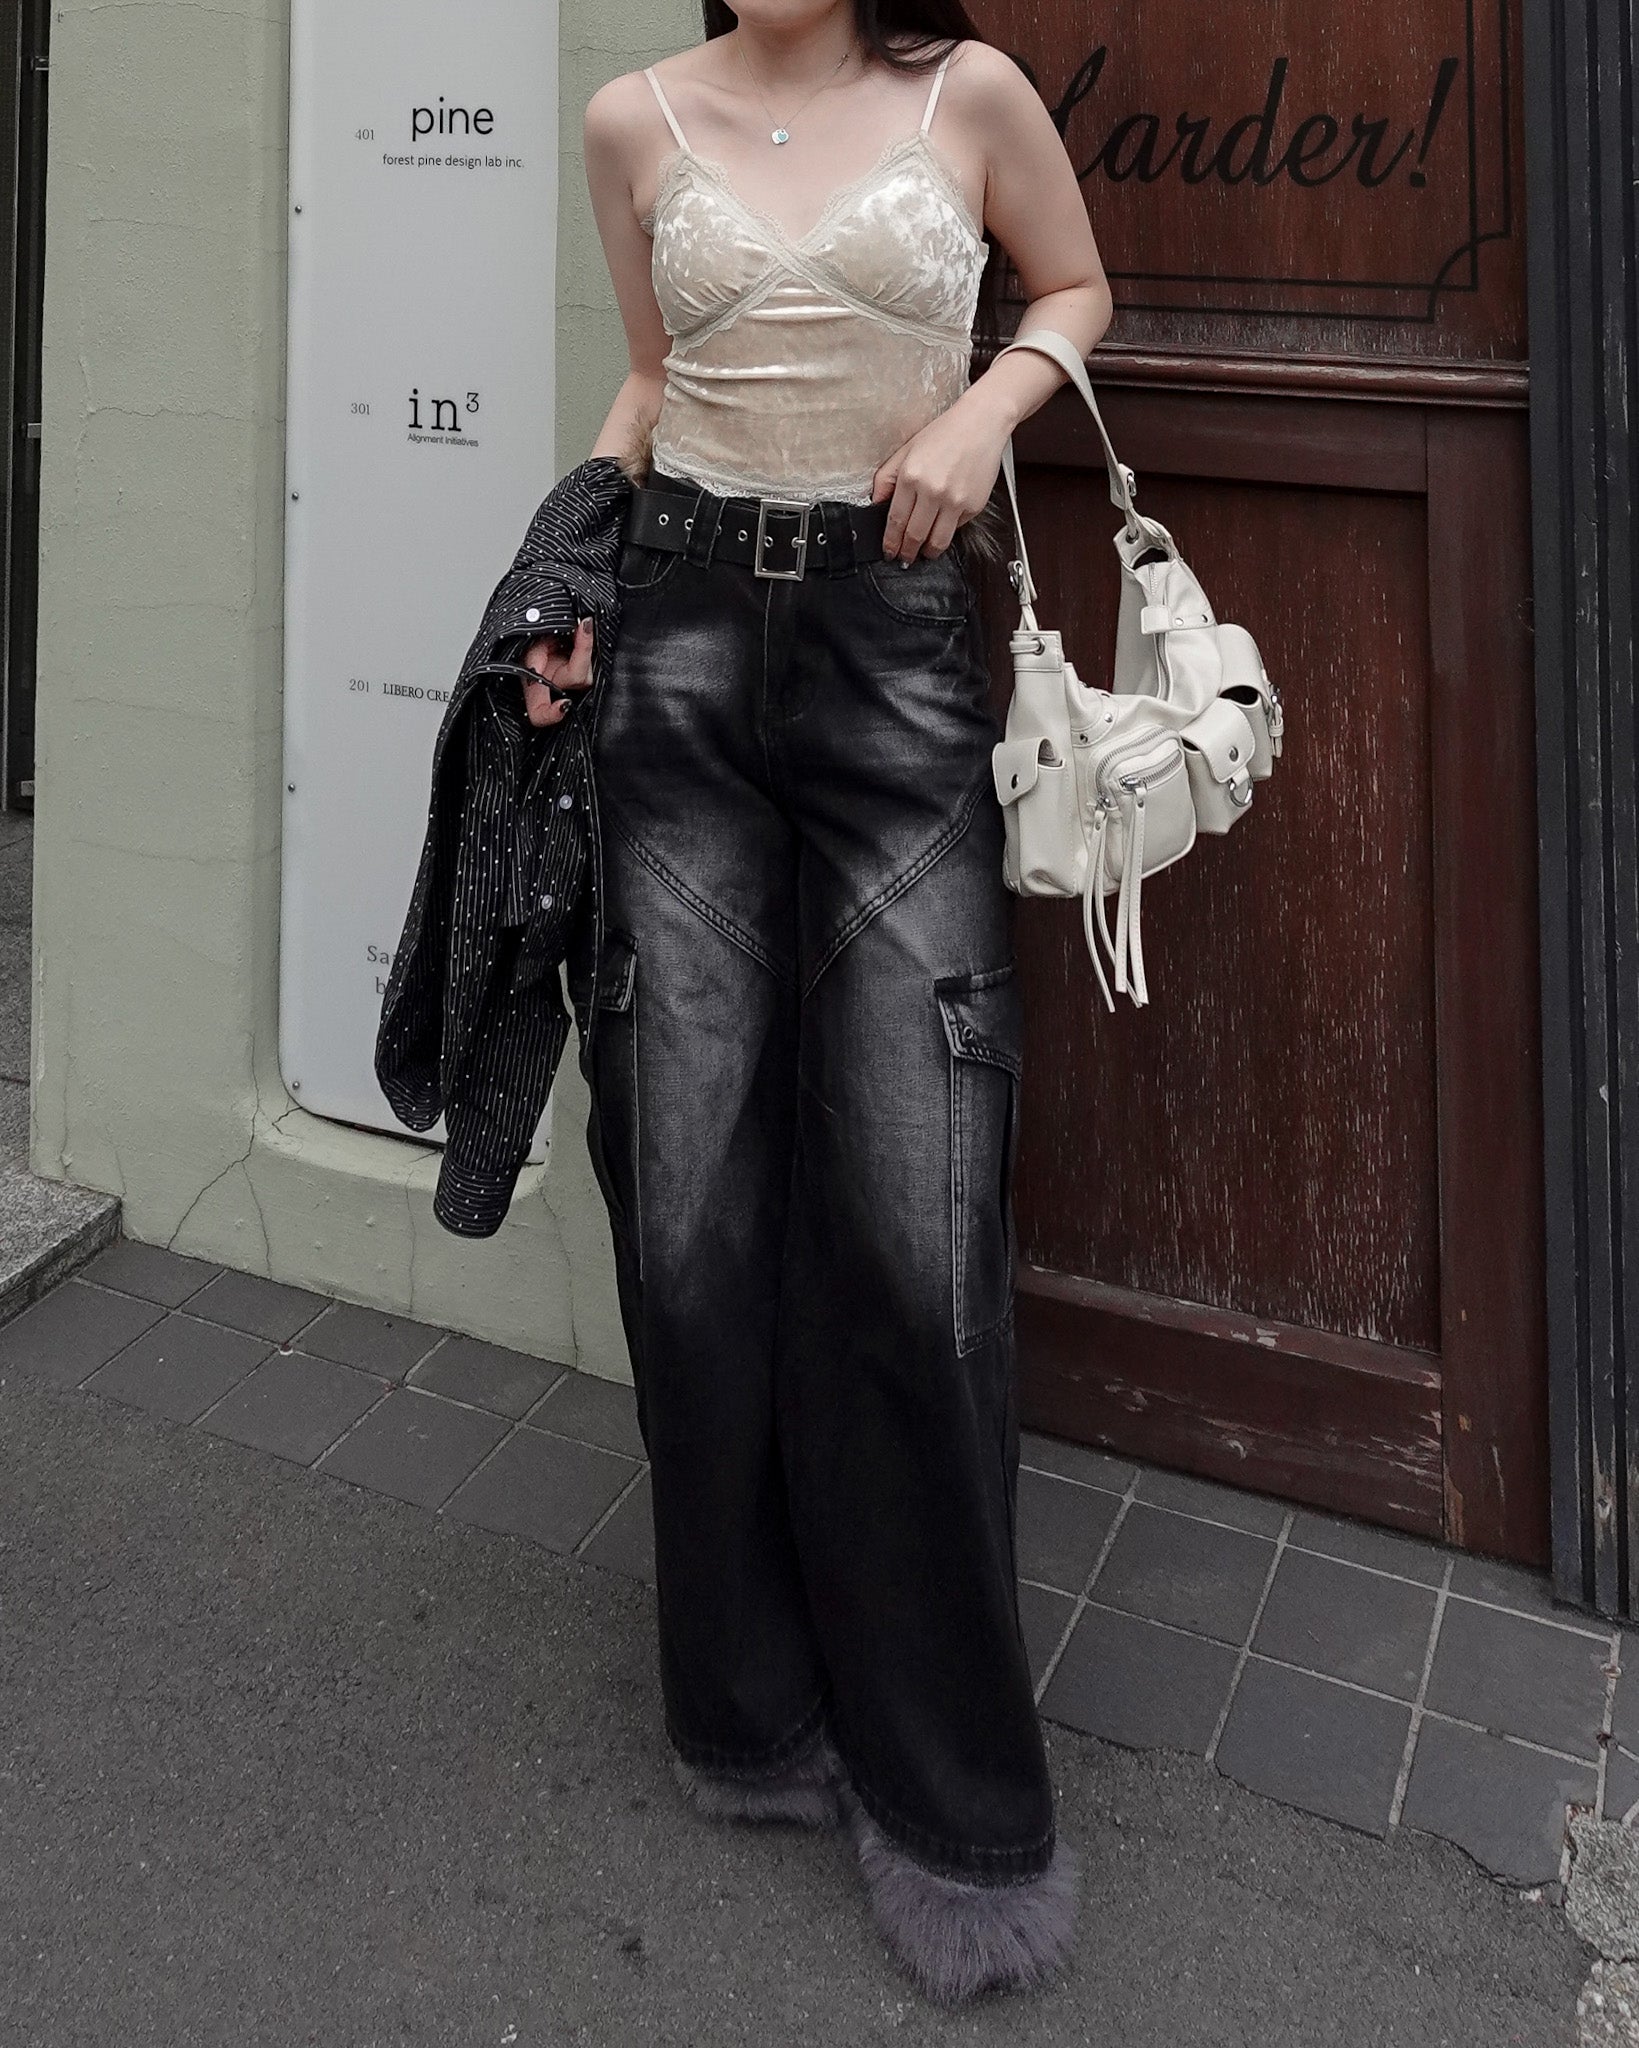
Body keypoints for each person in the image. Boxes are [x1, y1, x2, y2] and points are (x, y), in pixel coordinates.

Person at [520, 0, 1111, 2005]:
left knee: (916, 1227)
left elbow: (1079, 285)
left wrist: (986, 408)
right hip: (675, 655)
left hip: (892, 651)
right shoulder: (630, 118)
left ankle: (954, 1810)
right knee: (687, 1217)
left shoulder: (968, 94)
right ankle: (746, 1706)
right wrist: (564, 583)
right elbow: (652, 375)